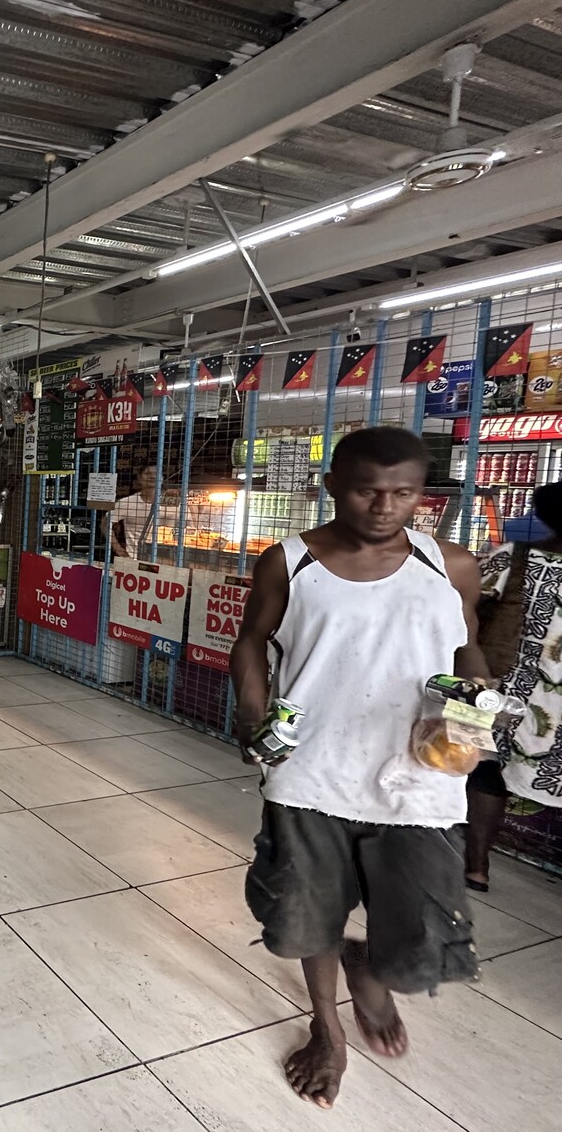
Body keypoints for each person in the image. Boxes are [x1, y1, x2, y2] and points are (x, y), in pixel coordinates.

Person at [230, 426, 486, 1110]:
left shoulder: (451, 566)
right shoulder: (290, 562)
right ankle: (327, 1028)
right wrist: (252, 715)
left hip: (420, 777)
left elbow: (466, 648)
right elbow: (252, 640)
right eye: (367, 491)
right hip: (311, 772)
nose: (384, 506)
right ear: (333, 487)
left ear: (421, 494)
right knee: (305, 915)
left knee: (424, 936)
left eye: (403, 493)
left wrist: (475, 713)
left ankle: (369, 966)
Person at [464, 481, 562, 891]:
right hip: (545, 702)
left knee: (481, 770)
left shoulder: (514, 556)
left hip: (492, 682)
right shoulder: (513, 555)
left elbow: (467, 607)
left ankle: (476, 866)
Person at [112, 464, 159, 558]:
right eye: (148, 473)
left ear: (162, 478)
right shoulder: (126, 502)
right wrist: (120, 550)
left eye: (157, 473)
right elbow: (105, 525)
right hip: (135, 558)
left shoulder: (174, 503)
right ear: (139, 478)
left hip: (167, 561)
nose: (153, 476)